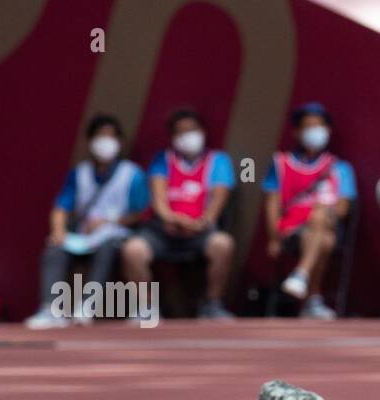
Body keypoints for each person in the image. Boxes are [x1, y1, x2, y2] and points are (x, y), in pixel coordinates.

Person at [25, 114, 148, 329]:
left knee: (107, 248)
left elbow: (143, 212)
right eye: (101, 136)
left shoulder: (132, 174)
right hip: (83, 237)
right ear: (90, 142)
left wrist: (110, 221)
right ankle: (50, 309)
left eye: (111, 136)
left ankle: (87, 306)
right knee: (55, 248)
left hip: (115, 236)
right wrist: (58, 231)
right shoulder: (79, 173)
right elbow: (60, 208)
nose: (106, 142)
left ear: (120, 141)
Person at [122, 109, 236, 320]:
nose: (188, 136)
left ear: (202, 131)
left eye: (192, 130)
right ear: (173, 138)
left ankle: (212, 305)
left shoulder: (218, 160)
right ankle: (147, 309)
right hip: (163, 232)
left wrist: (202, 222)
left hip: (200, 231)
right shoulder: (161, 160)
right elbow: (158, 202)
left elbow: (218, 201)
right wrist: (173, 219)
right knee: (132, 250)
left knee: (223, 244)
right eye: (181, 132)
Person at [263, 102, 355, 319]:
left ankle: (301, 274)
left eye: (319, 126)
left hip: (327, 223)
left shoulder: (340, 168)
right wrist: (274, 238)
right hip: (293, 231)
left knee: (322, 217)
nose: (315, 131)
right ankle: (312, 300)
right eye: (308, 126)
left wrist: (320, 216)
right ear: (297, 132)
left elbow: (342, 209)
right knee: (325, 241)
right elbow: (272, 204)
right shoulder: (280, 163)